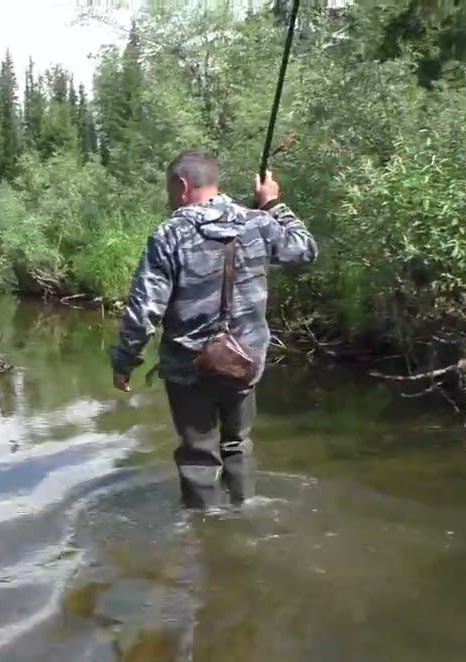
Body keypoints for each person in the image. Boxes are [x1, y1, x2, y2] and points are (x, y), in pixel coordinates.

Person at [110, 150, 317, 510]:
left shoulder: (169, 234)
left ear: (182, 185)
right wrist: (272, 204)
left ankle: (206, 530)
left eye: (170, 189)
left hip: (189, 366)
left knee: (197, 455)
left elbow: (146, 308)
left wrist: (125, 359)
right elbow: (305, 250)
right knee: (238, 443)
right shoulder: (258, 222)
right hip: (244, 359)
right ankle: (244, 511)